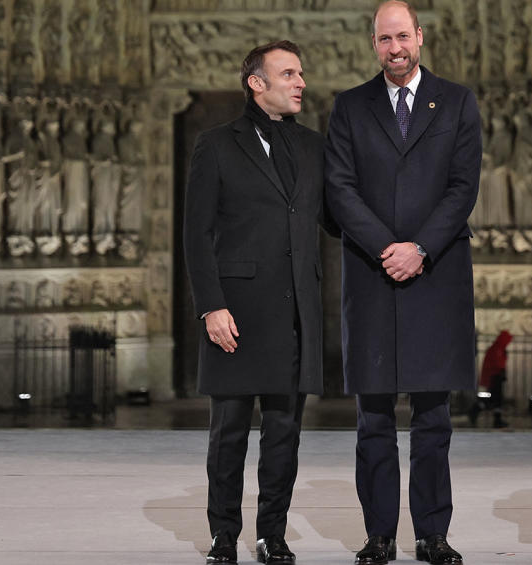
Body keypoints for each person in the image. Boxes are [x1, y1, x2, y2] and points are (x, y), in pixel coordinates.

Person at [324, 2, 481, 564]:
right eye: (385, 39)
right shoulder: (348, 107)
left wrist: (420, 248)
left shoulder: (458, 102)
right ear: (373, 43)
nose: (395, 48)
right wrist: (387, 249)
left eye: (403, 37)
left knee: (434, 419)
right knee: (373, 420)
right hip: (372, 276)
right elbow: (339, 188)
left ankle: (433, 535)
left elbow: (463, 188)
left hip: (435, 277)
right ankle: (379, 535)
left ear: (421, 37)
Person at [183, 40, 334, 565]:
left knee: (284, 436)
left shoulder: (315, 146)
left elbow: (337, 218)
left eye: (301, 72)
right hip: (236, 313)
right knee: (227, 435)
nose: (301, 82)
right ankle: (224, 535)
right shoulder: (217, 144)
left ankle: (273, 534)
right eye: (289, 73)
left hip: (295, 314)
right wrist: (211, 306)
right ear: (256, 82)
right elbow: (196, 234)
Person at [468, 330, 513, 428]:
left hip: (496, 378)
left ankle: (480, 412)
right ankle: (477, 411)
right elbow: (497, 364)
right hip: (495, 378)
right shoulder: (497, 349)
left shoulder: (498, 348)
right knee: (495, 399)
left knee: (494, 400)